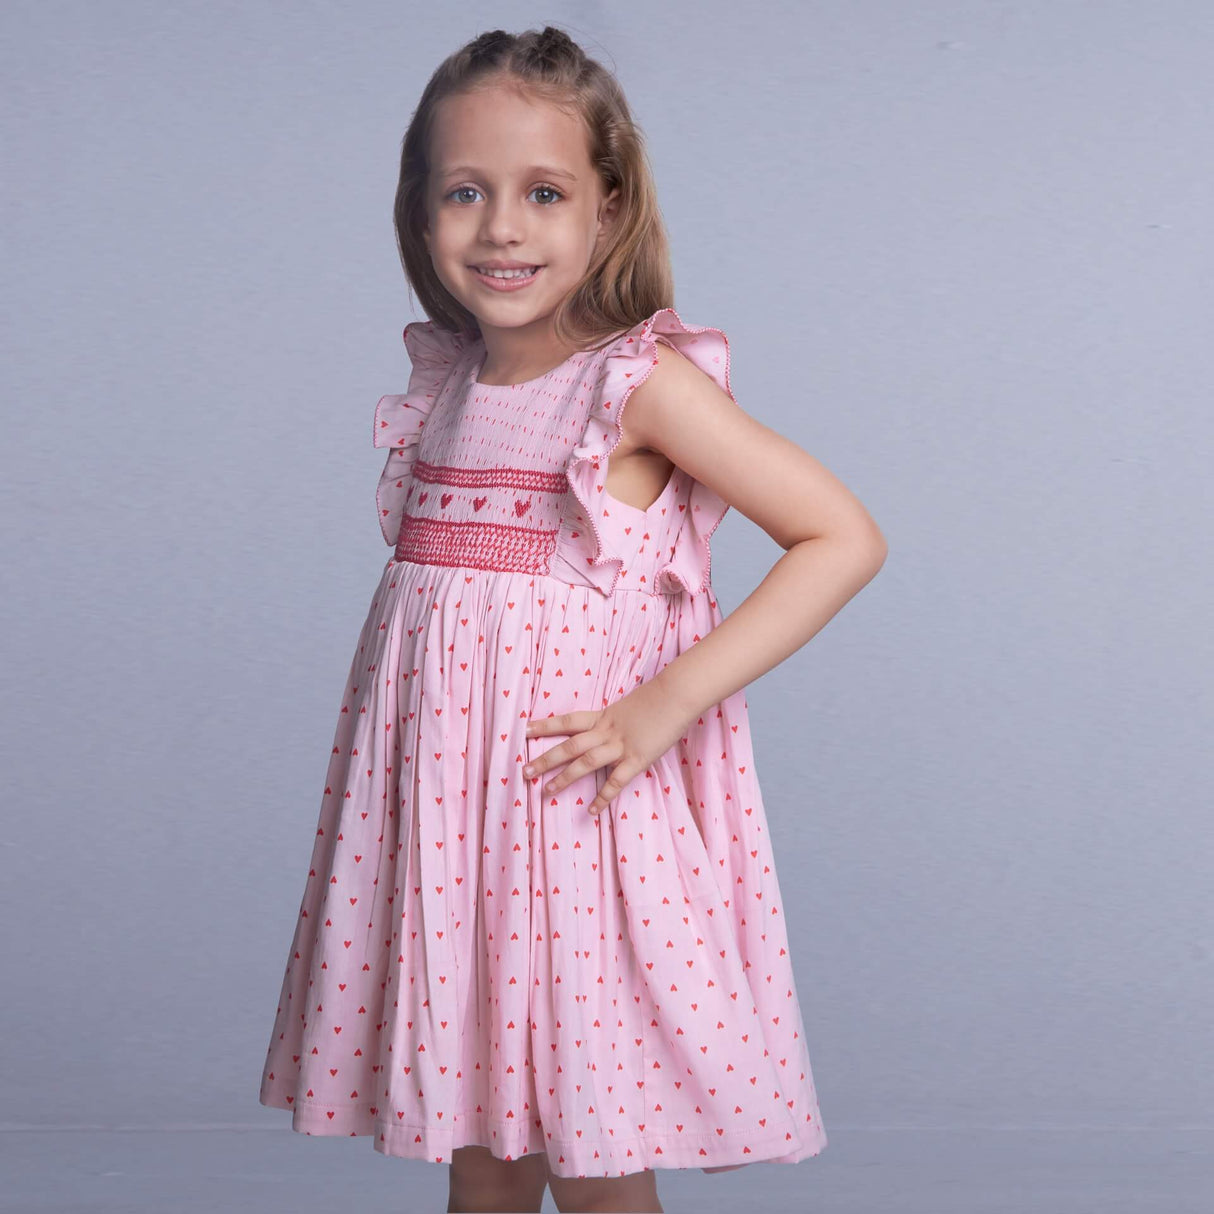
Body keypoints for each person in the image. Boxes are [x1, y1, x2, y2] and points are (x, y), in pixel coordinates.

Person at [258, 24, 886, 1214]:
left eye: (542, 192)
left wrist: (665, 701)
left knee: (598, 1169)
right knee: (484, 1159)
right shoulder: (443, 386)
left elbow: (840, 535)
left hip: (572, 836)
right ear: (418, 210)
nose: (502, 226)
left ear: (605, 209)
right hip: (453, 849)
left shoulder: (635, 384)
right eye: (466, 192)